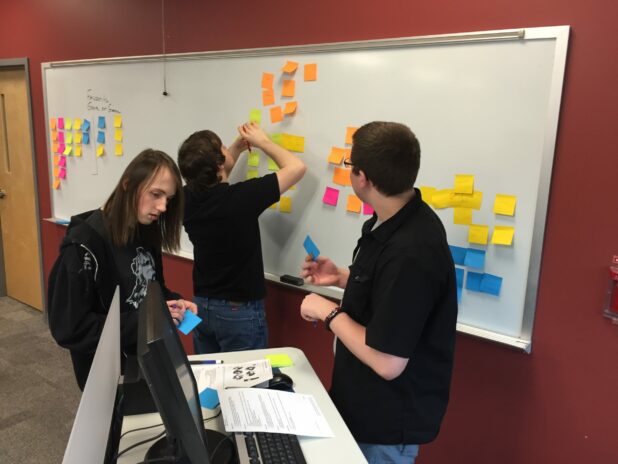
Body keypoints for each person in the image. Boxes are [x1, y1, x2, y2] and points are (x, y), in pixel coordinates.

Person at [299, 122, 458, 464]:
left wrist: (327, 312)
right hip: (360, 405)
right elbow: (390, 291)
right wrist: (342, 276)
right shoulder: (392, 219)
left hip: (385, 423)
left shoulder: (413, 250)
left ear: (362, 178)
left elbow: (387, 362)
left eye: (350, 165)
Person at [48, 149, 198, 390]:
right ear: (128, 185)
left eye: (167, 199)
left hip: (146, 362)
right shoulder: (83, 247)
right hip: (107, 380)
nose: (162, 207)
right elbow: (70, 328)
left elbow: (146, 291)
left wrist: (173, 302)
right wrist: (147, 321)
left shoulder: (145, 232)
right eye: (156, 194)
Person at [178, 122, 306, 353]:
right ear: (219, 163)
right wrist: (263, 142)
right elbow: (296, 167)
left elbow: (215, 177)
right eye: (224, 147)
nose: (229, 149)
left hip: (201, 307)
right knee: (246, 385)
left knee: (210, 380)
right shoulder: (242, 198)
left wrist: (234, 148)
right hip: (238, 313)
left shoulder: (185, 199)